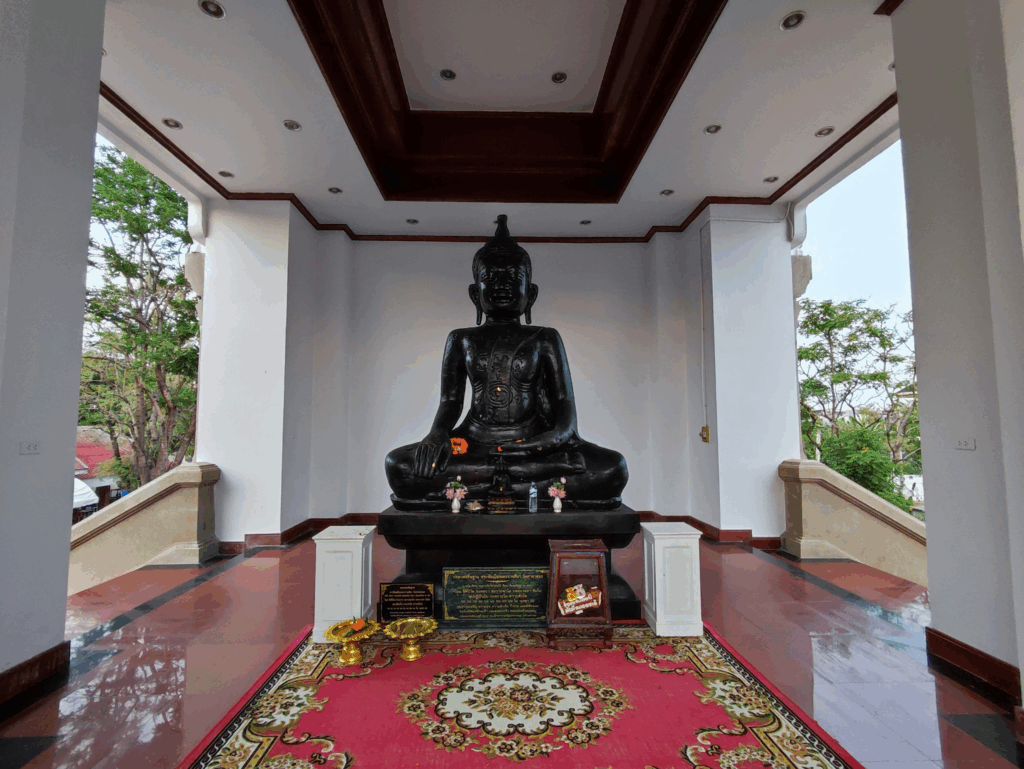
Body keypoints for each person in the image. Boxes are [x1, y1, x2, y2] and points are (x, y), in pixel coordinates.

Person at [384, 216, 628, 510]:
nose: (502, 286)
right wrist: (436, 435)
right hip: (474, 442)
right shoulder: (461, 338)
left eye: (513, 278)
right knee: (398, 466)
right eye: (491, 278)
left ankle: (472, 487)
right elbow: (450, 402)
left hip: (533, 443)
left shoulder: (545, 337)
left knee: (612, 468)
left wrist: (536, 446)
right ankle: (531, 479)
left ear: (531, 294)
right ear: (475, 294)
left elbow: (566, 413)